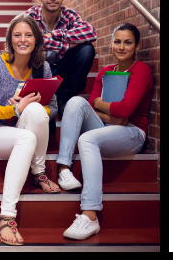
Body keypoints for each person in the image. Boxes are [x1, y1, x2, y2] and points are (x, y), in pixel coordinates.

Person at [56, 23, 153, 240]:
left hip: (132, 132)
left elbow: (126, 109)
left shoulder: (141, 70)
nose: (121, 47)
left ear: (136, 45)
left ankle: (90, 215)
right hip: (109, 127)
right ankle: (64, 168)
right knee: (74, 102)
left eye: (127, 42)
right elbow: (91, 104)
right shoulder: (104, 72)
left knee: (87, 139)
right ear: (111, 44)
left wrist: (107, 108)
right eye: (117, 41)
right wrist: (113, 117)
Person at [0, 14, 61, 246]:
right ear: (10, 39)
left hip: (26, 128)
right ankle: (7, 216)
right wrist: (13, 108)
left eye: (28, 35)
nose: (23, 40)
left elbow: (53, 109)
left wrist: (30, 108)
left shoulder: (42, 67)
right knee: (25, 134)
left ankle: (38, 172)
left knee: (37, 112)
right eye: (17, 35)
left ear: (36, 40)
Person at [23, 0, 97, 119]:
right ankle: (42, 101)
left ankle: (66, 96)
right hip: (38, 69)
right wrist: (67, 46)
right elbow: (31, 41)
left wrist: (57, 35)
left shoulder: (69, 15)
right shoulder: (29, 16)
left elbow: (90, 32)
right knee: (34, 51)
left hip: (62, 68)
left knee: (87, 49)